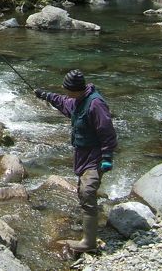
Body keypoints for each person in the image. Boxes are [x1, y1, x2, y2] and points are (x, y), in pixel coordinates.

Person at [34, 69, 117, 252]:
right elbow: (63, 102)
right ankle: (92, 224)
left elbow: (108, 133)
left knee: (87, 191)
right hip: (83, 154)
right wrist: (45, 95)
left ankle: (88, 243)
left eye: (66, 89)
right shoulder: (78, 100)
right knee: (83, 192)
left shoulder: (95, 104)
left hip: (95, 156)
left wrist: (107, 158)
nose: (65, 92)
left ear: (75, 90)